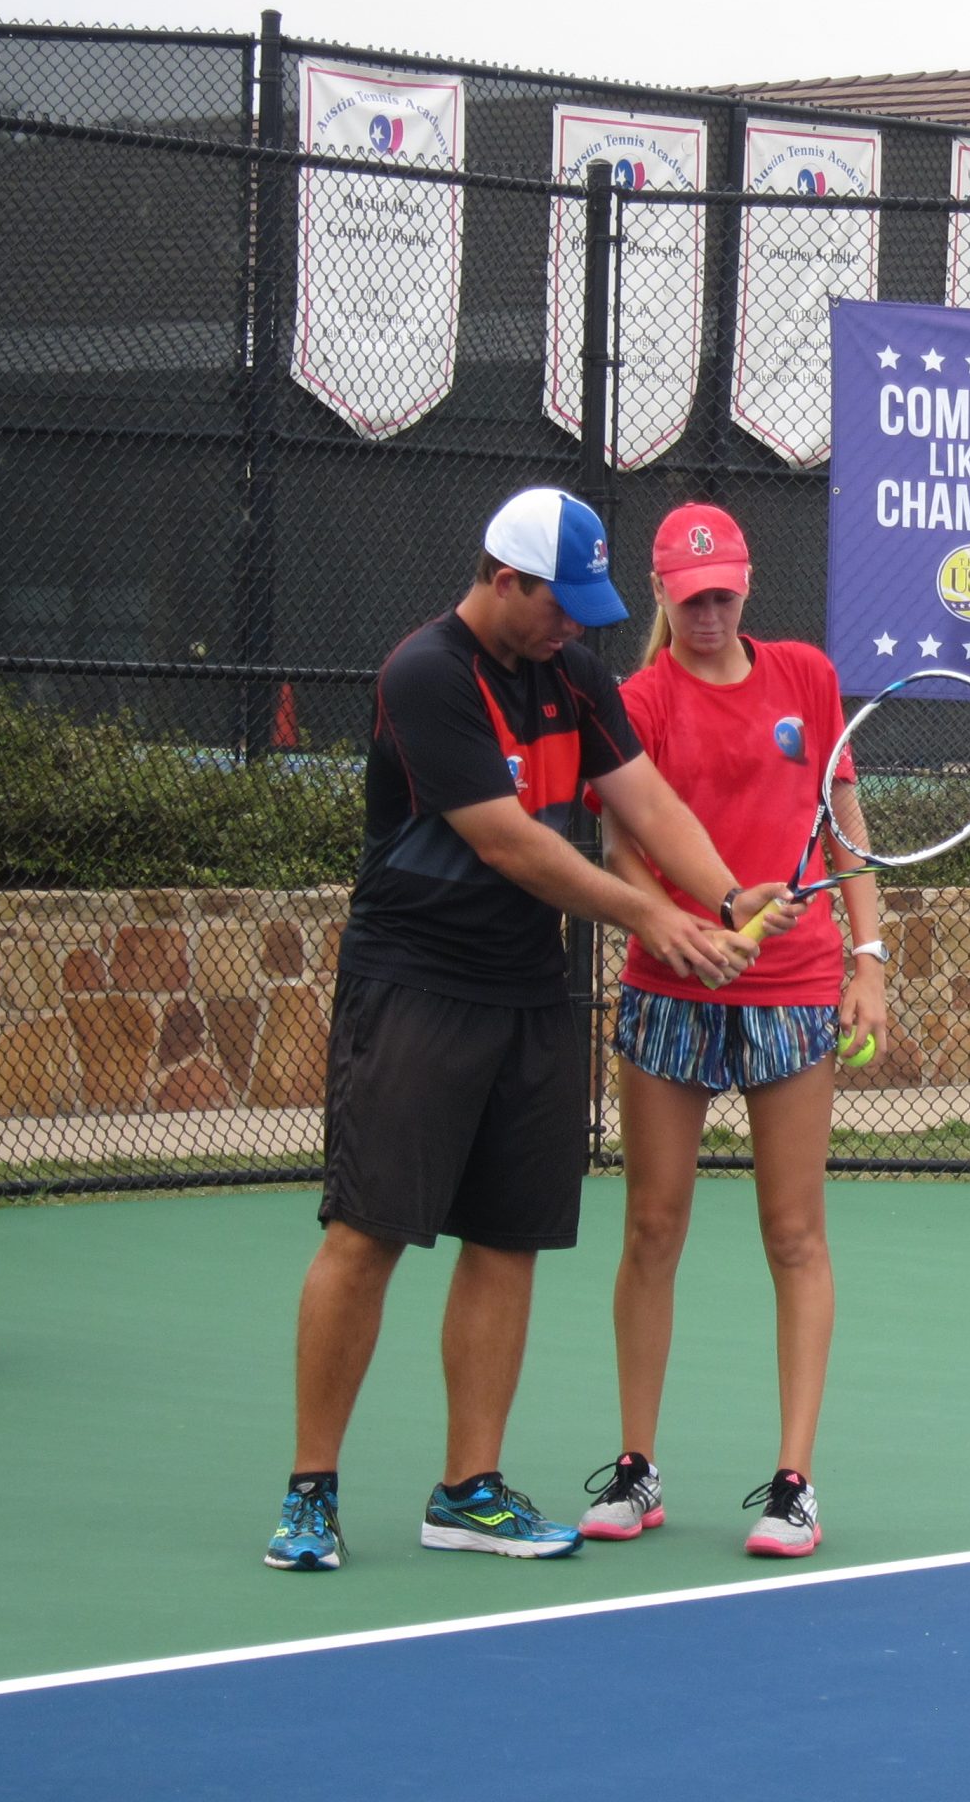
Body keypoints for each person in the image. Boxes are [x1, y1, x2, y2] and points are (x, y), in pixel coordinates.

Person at [264, 488, 800, 1572]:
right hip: (415, 987)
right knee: (366, 1234)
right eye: (559, 606)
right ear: (504, 581)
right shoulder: (426, 675)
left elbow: (645, 803)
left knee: (507, 1238)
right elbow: (511, 844)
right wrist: (654, 916)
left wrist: (724, 893)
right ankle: (310, 1492)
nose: (573, 629)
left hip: (528, 995)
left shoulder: (575, 677)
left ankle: (468, 1491)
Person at [576, 502, 886, 1560]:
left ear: (746, 585)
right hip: (670, 991)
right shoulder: (637, 702)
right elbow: (624, 851)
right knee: (651, 1230)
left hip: (793, 997)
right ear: (661, 595)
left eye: (722, 595)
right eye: (689, 597)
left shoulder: (807, 676)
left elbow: (845, 828)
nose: (707, 614)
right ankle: (636, 1467)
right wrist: (690, 929)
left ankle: (793, 1484)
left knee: (794, 1235)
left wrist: (868, 961)